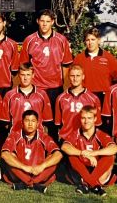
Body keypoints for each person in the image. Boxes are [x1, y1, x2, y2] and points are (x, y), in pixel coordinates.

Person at [19, 9, 73, 140]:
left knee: (54, 123)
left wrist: (65, 87)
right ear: (37, 21)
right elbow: (24, 66)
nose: (44, 24)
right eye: (42, 21)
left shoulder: (61, 40)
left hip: (55, 88)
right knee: (35, 122)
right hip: (37, 88)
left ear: (53, 22)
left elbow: (66, 65)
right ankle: (34, 148)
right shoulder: (29, 40)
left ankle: (53, 149)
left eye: (48, 21)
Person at [0, 110, 62, 193]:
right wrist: (24, 167)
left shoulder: (43, 136)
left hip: (38, 171)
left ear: (37, 123)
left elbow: (58, 154)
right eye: (27, 120)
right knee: (10, 158)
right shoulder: (14, 135)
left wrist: (42, 166)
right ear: (22, 122)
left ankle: (26, 184)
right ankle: (34, 184)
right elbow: (4, 154)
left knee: (52, 160)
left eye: (33, 121)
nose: (30, 124)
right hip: (21, 172)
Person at [61, 105, 117, 196]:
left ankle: (86, 183)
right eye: (83, 118)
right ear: (80, 119)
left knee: (110, 156)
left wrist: (93, 153)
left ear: (95, 119)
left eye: (89, 118)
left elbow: (114, 148)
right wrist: (83, 154)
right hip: (81, 168)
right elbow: (64, 147)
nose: (86, 121)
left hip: (97, 168)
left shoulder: (100, 134)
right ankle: (95, 184)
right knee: (72, 156)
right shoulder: (76, 133)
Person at [0, 63, 52, 145]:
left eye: (28, 75)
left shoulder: (42, 95)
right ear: (18, 75)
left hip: (37, 140)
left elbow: (47, 122)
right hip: (15, 139)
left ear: (33, 75)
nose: (25, 78)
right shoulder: (10, 95)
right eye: (22, 75)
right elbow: (5, 123)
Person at [73, 27, 117, 104]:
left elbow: (116, 79)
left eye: (93, 39)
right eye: (88, 40)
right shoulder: (79, 58)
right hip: (85, 96)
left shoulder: (109, 58)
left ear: (98, 40)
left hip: (104, 97)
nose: (90, 42)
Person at [54, 64, 102, 140]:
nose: (75, 79)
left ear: (83, 77)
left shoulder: (93, 98)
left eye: (78, 75)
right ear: (68, 77)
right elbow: (58, 124)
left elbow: (97, 124)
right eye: (72, 76)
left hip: (86, 139)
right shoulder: (60, 98)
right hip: (66, 139)